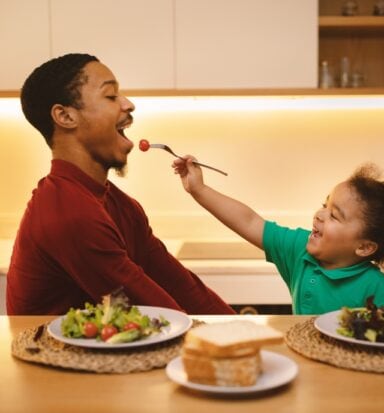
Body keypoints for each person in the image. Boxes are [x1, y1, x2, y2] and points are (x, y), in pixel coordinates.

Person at [6, 53, 234, 315]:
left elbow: (181, 286)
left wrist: (244, 333)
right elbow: (160, 314)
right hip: (45, 356)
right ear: (66, 116)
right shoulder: (69, 214)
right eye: (111, 96)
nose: (128, 104)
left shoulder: (119, 205)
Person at [172, 159, 384, 314]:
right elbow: (249, 221)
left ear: (365, 247)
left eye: (334, 215)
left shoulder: (381, 292)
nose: (319, 215)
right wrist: (199, 190)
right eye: (324, 205)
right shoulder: (300, 251)